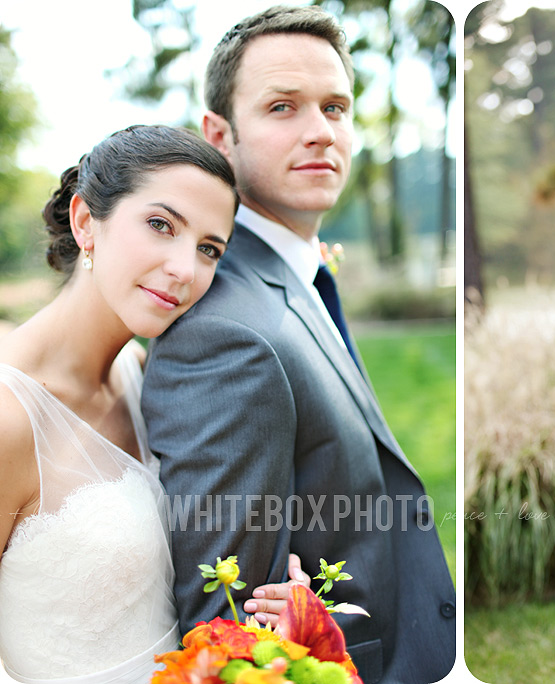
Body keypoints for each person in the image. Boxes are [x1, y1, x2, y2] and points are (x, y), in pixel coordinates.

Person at [140, 7, 456, 684]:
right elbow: (223, 630)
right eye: (283, 107)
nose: (320, 132)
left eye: (336, 107)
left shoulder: (295, 278)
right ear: (219, 135)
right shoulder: (222, 332)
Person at [0, 125, 302, 683]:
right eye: (161, 225)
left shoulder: (144, 376)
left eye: (209, 249)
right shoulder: (8, 420)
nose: (185, 270)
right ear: (86, 221)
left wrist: (273, 607)